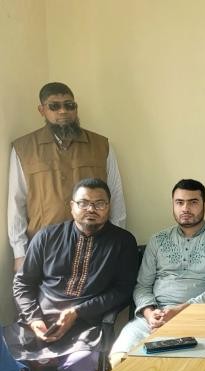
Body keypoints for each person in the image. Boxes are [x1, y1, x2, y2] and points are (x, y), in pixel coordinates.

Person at [4, 178, 138, 371]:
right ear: (72, 206)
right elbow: (23, 282)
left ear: (108, 206)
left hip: (84, 327)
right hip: (37, 323)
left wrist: (77, 312)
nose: (91, 209)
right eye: (83, 203)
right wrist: (34, 318)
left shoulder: (123, 241)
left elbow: (123, 290)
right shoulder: (47, 236)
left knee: (81, 364)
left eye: (99, 203)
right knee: (6, 357)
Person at [108, 180, 205, 366]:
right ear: (173, 205)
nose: (185, 208)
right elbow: (142, 286)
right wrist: (150, 314)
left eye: (193, 202)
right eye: (179, 202)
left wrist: (181, 310)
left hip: (200, 317)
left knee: (188, 367)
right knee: (119, 358)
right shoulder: (157, 240)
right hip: (156, 316)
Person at [7, 82, 126, 273]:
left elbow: (116, 195)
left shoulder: (101, 145)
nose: (63, 111)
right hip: (44, 249)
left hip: (95, 245)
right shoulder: (24, 149)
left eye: (69, 105)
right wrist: (19, 252)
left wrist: (116, 240)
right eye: (54, 106)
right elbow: (16, 202)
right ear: (42, 110)